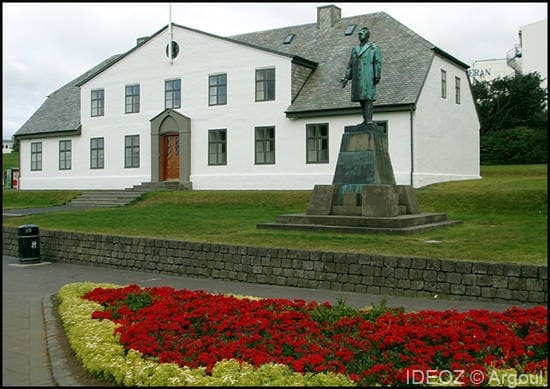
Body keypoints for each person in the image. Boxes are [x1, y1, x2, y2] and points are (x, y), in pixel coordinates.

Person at [340, 26, 382, 126]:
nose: (359, 34)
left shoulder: (373, 47)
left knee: (368, 98)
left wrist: (377, 75)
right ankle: (365, 119)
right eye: (359, 33)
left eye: (362, 33)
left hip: (368, 76)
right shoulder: (355, 49)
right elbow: (350, 65)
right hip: (357, 78)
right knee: (361, 99)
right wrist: (346, 77)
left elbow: (377, 62)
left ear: (367, 35)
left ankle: (369, 120)